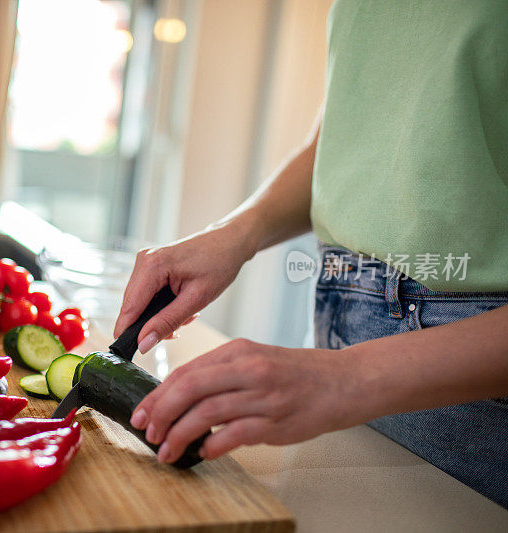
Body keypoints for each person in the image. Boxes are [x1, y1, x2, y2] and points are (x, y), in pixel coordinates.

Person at [114, 1, 508, 507]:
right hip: (338, 315)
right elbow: (350, 137)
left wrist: (345, 379)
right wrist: (236, 232)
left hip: (474, 377)